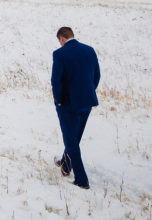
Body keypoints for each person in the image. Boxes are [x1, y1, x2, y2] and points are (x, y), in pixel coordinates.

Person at [51, 26, 100, 190]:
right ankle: (65, 164)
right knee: (75, 136)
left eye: (59, 41)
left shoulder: (59, 54)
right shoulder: (89, 50)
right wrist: (88, 92)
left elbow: (56, 80)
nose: (60, 43)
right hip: (87, 102)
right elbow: (96, 75)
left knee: (71, 139)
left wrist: (58, 100)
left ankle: (81, 180)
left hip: (67, 103)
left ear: (62, 38)